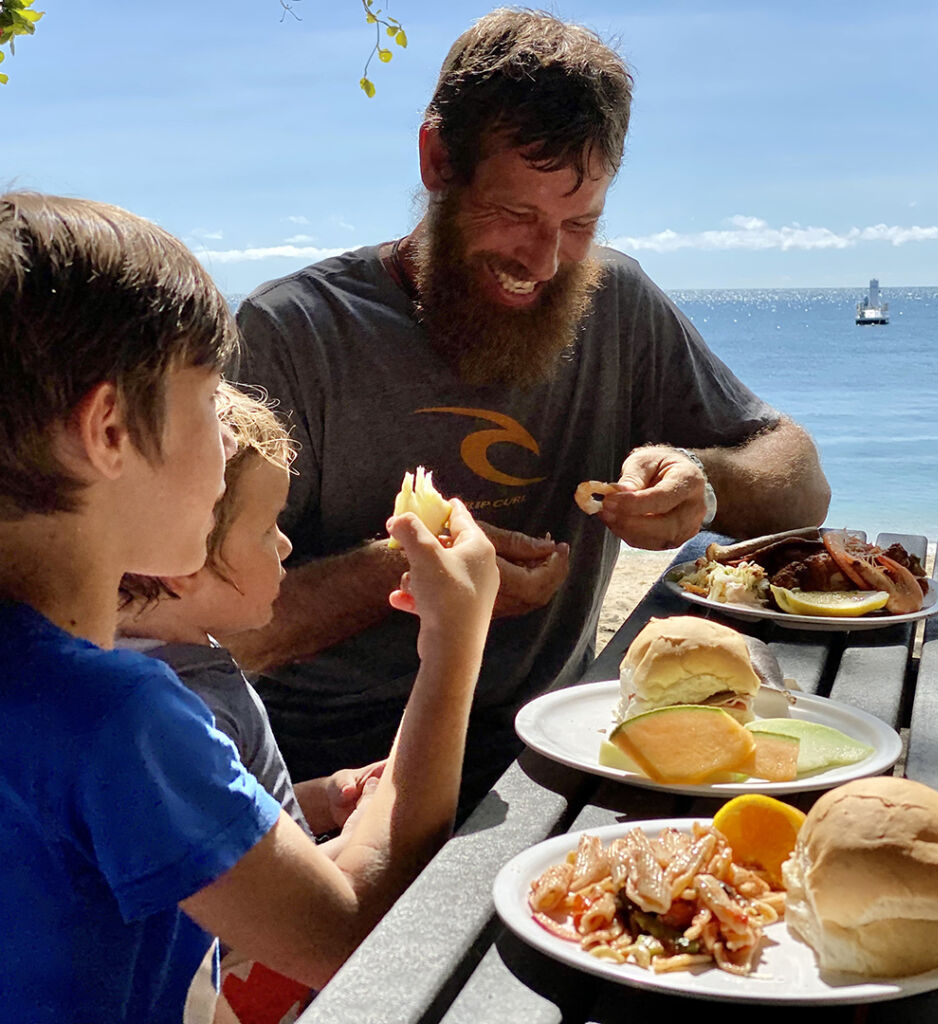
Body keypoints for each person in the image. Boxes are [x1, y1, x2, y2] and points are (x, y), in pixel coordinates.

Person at [229, 8, 832, 812]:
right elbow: (225, 628)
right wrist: (413, 570)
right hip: (339, 782)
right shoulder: (292, 333)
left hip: (557, 757)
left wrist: (706, 484)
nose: (544, 262)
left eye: (578, 223)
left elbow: (802, 483)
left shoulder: (615, 304)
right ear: (438, 159)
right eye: (516, 215)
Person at [0, 191, 498, 1022]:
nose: (229, 441)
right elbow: (351, 927)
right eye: (209, 401)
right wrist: (456, 642)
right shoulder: (121, 720)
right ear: (111, 431)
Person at [118, 382, 384, 843]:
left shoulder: (190, 652)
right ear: (184, 555)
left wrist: (324, 799)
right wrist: (452, 636)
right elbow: (293, 907)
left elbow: (242, 824)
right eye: (266, 528)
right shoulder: (187, 715)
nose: (285, 545)